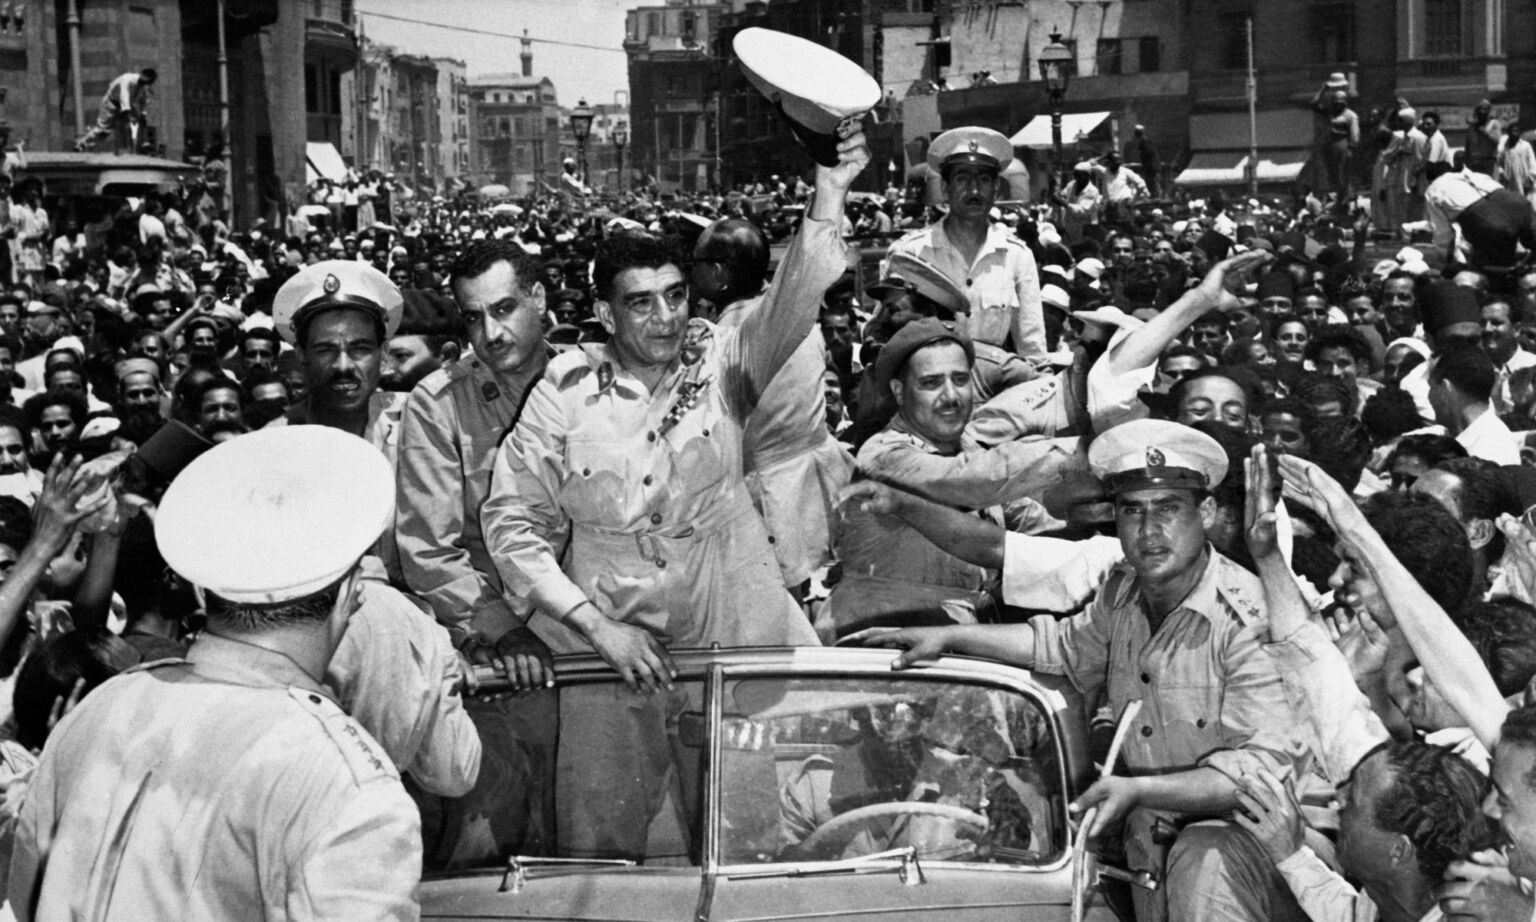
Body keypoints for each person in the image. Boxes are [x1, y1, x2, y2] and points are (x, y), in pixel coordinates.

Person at [479, 125, 866, 860]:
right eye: (640, 304)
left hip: (728, 616)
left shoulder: (724, 358)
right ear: (604, 313)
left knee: (743, 828)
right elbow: (511, 526)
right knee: (599, 840)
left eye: (675, 297)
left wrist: (831, 188)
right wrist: (595, 627)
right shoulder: (561, 395)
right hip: (612, 640)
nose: (663, 319)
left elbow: (799, 289)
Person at [851, 419, 1311, 922]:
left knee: (1205, 855)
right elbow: (1061, 646)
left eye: (1168, 509)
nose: (1149, 529)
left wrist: (1137, 791)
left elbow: (1260, 778)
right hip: (1151, 842)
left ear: (1205, 513)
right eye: (1132, 511)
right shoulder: (1124, 593)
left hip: (1256, 852)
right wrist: (949, 638)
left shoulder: (1254, 618)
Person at [8, 426, 421, 920]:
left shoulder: (96, 709)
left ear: (204, 592)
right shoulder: (346, 783)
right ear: (352, 593)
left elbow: (22, 896)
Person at [394, 238, 558, 860]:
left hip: (590, 640)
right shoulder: (437, 404)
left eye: (505, 308)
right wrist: (503, 631)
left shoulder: (593, 383)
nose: (490, 332)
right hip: (500, 657)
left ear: (538, 299)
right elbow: (429, 551)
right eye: (472, 317)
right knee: (493, 837)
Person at [692, 216, 853, 594]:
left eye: (694, 264)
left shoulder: (724, 340)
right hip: (821, 476)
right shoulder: (800, 319)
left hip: (770, 494)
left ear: (717, 273)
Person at [887, 126, 1045, 357]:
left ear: (996, 189)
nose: (974, 189)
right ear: (945, 188)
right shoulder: (909, 252)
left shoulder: (1016, 256)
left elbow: (1032, 348)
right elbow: (885, 332)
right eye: (962, 179)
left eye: (983, 179)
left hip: (994, 387)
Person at [1422, 160, 1536, 268]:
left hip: (1489, 221)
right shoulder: (1476, 175)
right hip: (1521, 205)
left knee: (1491, 272)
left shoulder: (1433, 190)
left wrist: (1446, 259)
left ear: (1430, 180)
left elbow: (1443, 233)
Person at [1429, 343, 1520, 465]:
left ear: (1445, 390)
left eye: (1432, 387)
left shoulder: (1486, 449)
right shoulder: (1477, 436)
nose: (1428, 394)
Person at [73, 67, 157, 153]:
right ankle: (81, 143)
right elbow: (124, 95)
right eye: (145, 81)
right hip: (111, 104)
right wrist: (127, 113)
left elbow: (144, 101)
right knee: (102, 132)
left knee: (141, 120)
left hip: (126, 106)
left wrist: (143, 113)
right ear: (142, 75)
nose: (145, 84)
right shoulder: (127, 79)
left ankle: (144, 142)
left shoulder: (143, 87)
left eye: (148, 82)